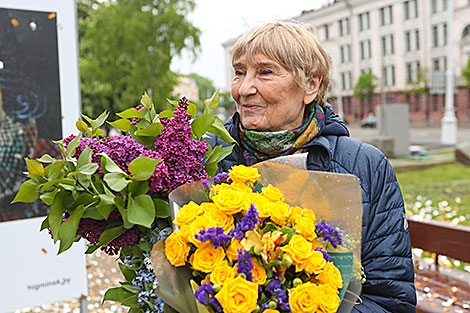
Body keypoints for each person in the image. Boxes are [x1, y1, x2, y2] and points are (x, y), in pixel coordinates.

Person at [209, 21, 416, 312]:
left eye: (265, 72)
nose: (243, 89)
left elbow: (390, 299)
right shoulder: (208, 157)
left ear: (311, 84)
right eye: (239, 72)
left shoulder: (364, 167)